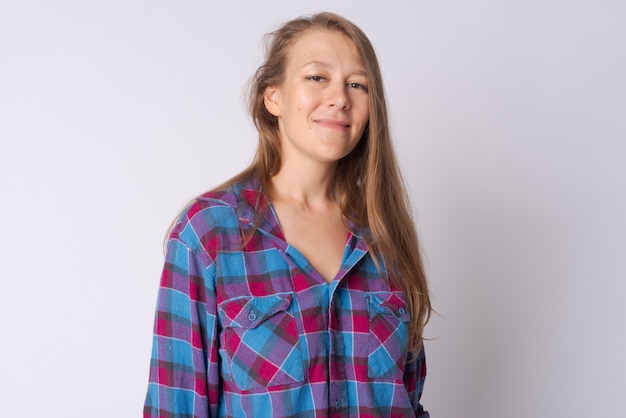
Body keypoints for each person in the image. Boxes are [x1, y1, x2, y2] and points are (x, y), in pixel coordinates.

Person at [144, 11, 432, 417]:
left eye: (357, 84)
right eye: (318, 77)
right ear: (273, 96)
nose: (339, 97)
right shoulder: (209, 234)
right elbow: (174, 407)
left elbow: (409, 402)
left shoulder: (386, 238)